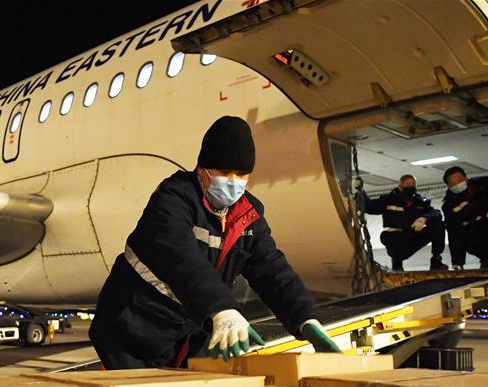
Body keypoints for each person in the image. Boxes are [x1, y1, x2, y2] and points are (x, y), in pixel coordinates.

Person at [89, 116, 339, 368]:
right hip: (132, 333)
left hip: (186, 338)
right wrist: (222, 309)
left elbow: (273, 271)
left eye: (241, 174)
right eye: (224, 172)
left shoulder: (248, 215)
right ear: (202, 170)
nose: (233, 181)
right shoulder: (172, 200)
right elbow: (183, 260)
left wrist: (305, 320)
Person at [358, 174, 448, 271]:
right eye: (408, 184)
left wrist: (424, 218)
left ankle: (436, 260)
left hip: (413, 234)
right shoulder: (388, 199)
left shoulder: (420, 201)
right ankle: (397, 264)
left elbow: (436, 213)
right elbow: (371, 207)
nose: (411, 187)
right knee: (395, 242)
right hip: (394, 237)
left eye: (413, 184)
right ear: (400, 186)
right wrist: (360, 192)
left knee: (438, 225)